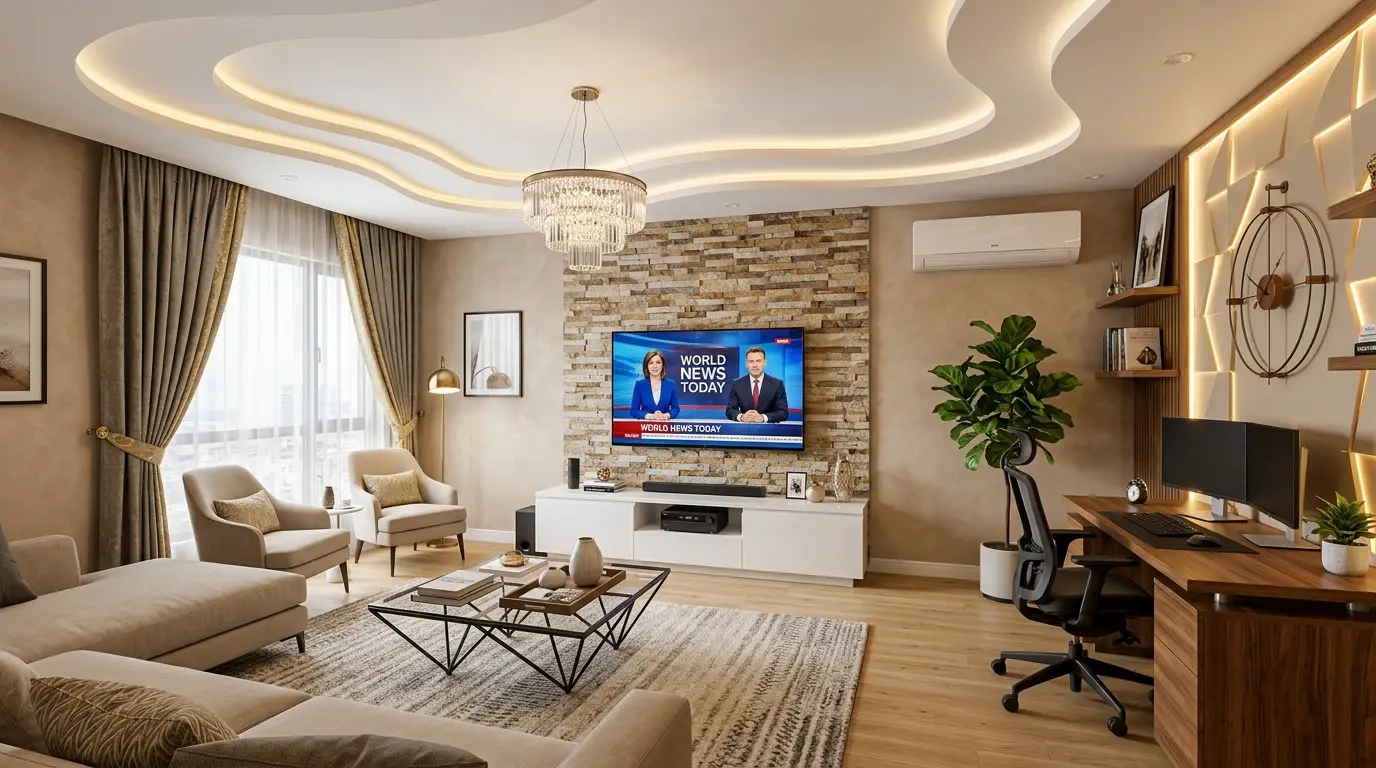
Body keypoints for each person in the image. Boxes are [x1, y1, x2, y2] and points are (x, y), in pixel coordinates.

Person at [725, 346, 789, 423]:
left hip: (770, 432)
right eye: (751, 361)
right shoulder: (737, 384)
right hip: (744, 432)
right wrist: (741, 417)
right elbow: (730, 410)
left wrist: (763, 417)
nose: (755, 365)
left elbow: (783, 412)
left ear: (765, 362)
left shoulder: (777, 384)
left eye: (758, 361)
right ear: (746, 364)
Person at [629, 349, 680, 420]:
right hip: (645, 428)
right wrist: (649, 416)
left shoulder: (671, 384)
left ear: (663, 365)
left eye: (658, 362)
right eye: (651, 363)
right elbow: (634, 410)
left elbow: (676, 409)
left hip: (665, 427)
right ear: (646, 366)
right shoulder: (640, 385)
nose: (654, 366)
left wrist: (666, 415)